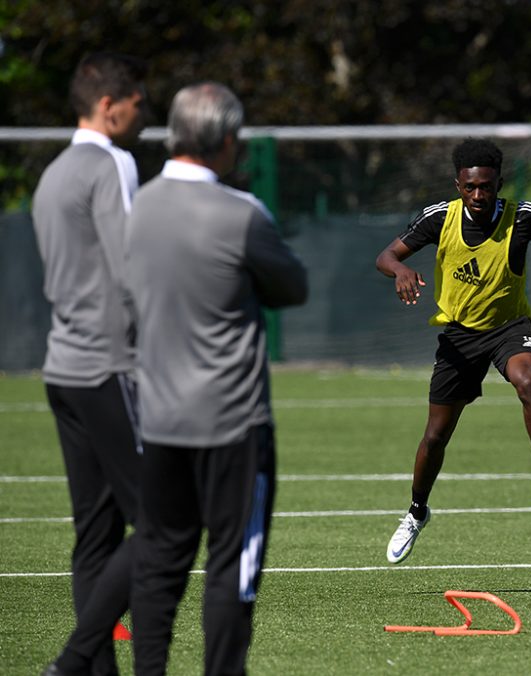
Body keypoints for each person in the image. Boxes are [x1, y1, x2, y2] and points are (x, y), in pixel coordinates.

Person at [125, 82, 308, 676]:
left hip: (156, 418)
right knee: (233, 563)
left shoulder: (137, 206)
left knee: (158, 559)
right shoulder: (242, 213)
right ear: (227, 139)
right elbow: (292, 287)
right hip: (233, 423)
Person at [375, 138, 531, 564]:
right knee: (436, 436)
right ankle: (417, 511)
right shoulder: (440, 218)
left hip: (509, 329)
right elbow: (386, 256)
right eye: (470, 186)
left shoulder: (524, 216)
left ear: (499, 183)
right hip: (459, 337)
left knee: (527, 380)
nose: (479, 195)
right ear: (458, 184)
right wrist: (401, 269)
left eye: (487, 187)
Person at [32, 52, 148, 676]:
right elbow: (131, 267)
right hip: (108, 368)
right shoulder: (112, 162)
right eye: (139, 102)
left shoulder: (52, 174)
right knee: (164, 522)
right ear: (110, 104)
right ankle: (75, 660)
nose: (144, 114)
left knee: (96, 538)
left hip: (63, 370)